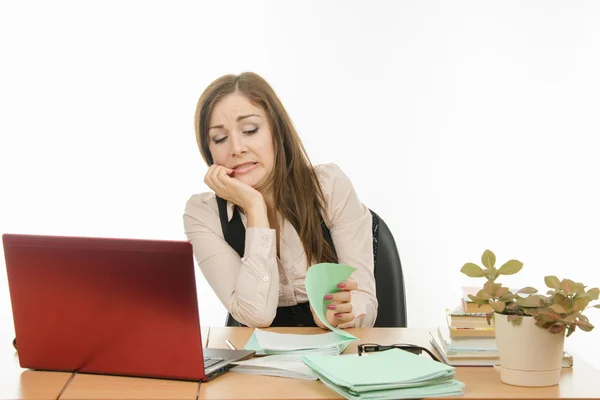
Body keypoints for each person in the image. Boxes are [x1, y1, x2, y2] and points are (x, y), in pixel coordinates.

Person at [183, 72, 377, 329]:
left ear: (277, 131)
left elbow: (365, 299)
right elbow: (256, 316)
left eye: (250, 130)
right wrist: (255, 208)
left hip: (333, 349)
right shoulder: (202, 214)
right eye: (219, 138)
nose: (236, 148)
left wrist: (345, 313)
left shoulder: (328, 186)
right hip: (254, 359)